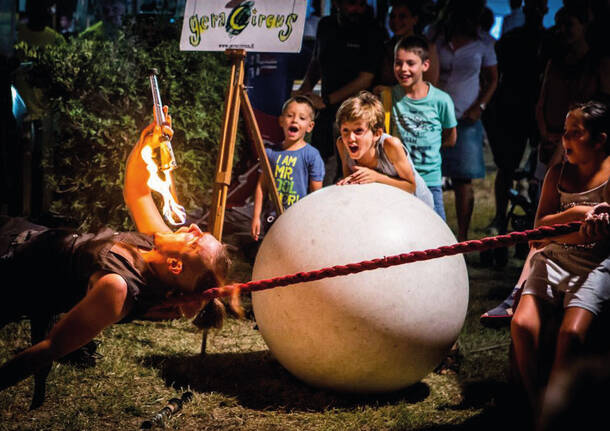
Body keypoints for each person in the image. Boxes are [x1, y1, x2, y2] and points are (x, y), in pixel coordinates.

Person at [0, 109, 230, 404]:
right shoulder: (156, 244)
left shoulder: (118, 288)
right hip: (21, 234)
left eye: (195, 241)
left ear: (175, 265)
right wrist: (148, 141)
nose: (194, 228)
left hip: (9, 270)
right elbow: (137, 190)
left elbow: (51, 347)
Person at [510, 100, 610, 417]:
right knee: (522, 324)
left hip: (596, 265)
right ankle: (535, 403)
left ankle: (556, 408)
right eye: (565, 132)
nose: (564, 139)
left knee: (571, 334)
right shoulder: (558, 173)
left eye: (575, 133)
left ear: (600, 139)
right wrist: (579, 216)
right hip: (552, 259)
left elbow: (596, 239)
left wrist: (562, 228)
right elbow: (539, 231)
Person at [426, 0, 498, 241]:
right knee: (430, 173)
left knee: (462, 179)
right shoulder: (436, 36)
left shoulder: (484, 43)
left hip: (466, 116)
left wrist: (480, 106)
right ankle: (432, 234)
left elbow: (493, 79)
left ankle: (464, 238)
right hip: (435, 113)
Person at [296, 0, 386, 184]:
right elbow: (316, 63)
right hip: (327, 113)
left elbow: (366, 78)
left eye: (362, 4)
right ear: (337, 3)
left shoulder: (372, 30)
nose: (358, 8)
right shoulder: (325, 25)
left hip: (358, 113)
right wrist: (303, 92)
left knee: (353, 171)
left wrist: (328, 100)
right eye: (353, 3)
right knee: (320, 167)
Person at [484, 0, 551, 237]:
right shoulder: (511, 40)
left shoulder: (551, 40)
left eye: (539, 7)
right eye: (532, 7)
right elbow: (495, 75)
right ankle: (501, 217)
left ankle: (534, 220)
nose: (535, 11)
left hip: (538, 111)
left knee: (538, 172)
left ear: (544, 10)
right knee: (506, 168)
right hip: (511, 110)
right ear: (525, 9)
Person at [535, 4, 610, 172]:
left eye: (568, 25)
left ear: (584, 27)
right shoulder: (554, 63)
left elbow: (602, 107)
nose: (562, 30)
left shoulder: (599, 65)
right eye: (559, 25)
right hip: (550, 139)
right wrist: (545, 134)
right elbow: (541, 102)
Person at [390, 35, 457, 220]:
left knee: (438, 239)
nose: (403, 69)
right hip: (398, 181)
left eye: (410, 63)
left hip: (430, 182)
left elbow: (450, 138)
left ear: (425, 65)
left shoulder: (441, 101)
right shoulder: (389, 97)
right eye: (398, 63)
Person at [335, 90, 434, 209]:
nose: (350, 138)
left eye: (358, 131)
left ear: (377, 134)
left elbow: (410, 186)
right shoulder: (342, 144)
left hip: (417, 205)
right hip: (384, 205)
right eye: (345, 130)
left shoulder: (390, 145)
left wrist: (376, 177)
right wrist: (350, 181)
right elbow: (350, 181)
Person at [251, 96, 325, 241]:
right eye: (290, 115)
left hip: (298, 219)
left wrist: (314, 222)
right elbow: (261, 186)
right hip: (272, 217)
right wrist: (256, 217)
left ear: (310, 126)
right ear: (281, 121)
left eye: (302, 118)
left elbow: (317, 195)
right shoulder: (270, 153)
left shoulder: (312, 155)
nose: (295, 120)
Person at [375, 0, 440, 89]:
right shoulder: (386, 47)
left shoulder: (427, 48)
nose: (396, 21)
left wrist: (392, 91)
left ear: (414, 19)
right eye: (392, 16)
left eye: (402, 17)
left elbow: (429, 88)